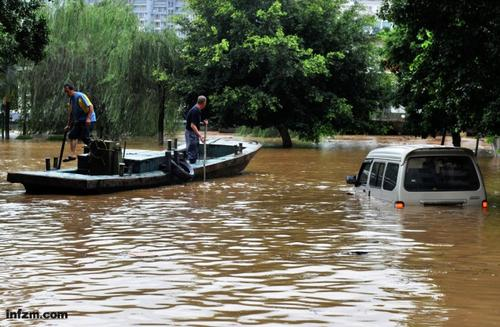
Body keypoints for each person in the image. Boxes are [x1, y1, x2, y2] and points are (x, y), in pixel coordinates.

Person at [63, 83, 95, 162]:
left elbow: (91, 107)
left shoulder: (80, 96)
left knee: (85, 137)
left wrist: (88, 118)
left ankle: (94, 151)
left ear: (72, 89)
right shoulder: (71, 99)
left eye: (67, 91)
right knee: (72, 135)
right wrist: (68, 125)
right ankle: (73, 155)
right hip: (79, 120)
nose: (66, 93)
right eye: (65, 92)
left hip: (89, 119)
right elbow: (71, 114)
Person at [184, 95, 207, 164]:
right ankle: (192, 167)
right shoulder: (195, 110)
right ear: (204, 103)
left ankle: (194, 164)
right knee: (192, 150)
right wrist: (200, 136)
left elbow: (195, 121)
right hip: (190, 133)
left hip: (192, 132)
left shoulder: (197, 109)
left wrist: (203, 122)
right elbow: (192, 125)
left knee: (195, 150)